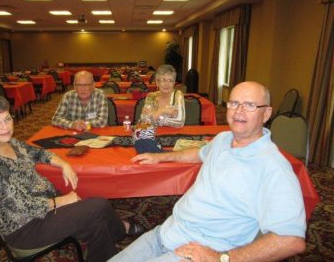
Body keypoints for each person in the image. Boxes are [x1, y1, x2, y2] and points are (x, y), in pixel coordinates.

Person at [110, 81, 306, 262]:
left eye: (250, 105)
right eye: (234, 103)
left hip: (201, 251)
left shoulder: (273, 167)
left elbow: (291, 240)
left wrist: (221, 258)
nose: (239, 111)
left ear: (266, 113)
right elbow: (199, 153)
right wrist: (160, 157)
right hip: (165, 233)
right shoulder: (223, 139)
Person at [0, 93, 143, 262]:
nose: (5, 127)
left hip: (44, 206)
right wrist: (62, 201)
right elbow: (21, 207)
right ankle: (121, 230)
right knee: (99, 205)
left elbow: (38, 152)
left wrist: (63, 164)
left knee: (96, 223)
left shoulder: (7, 142)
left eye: (7, 119)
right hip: (25, 227)